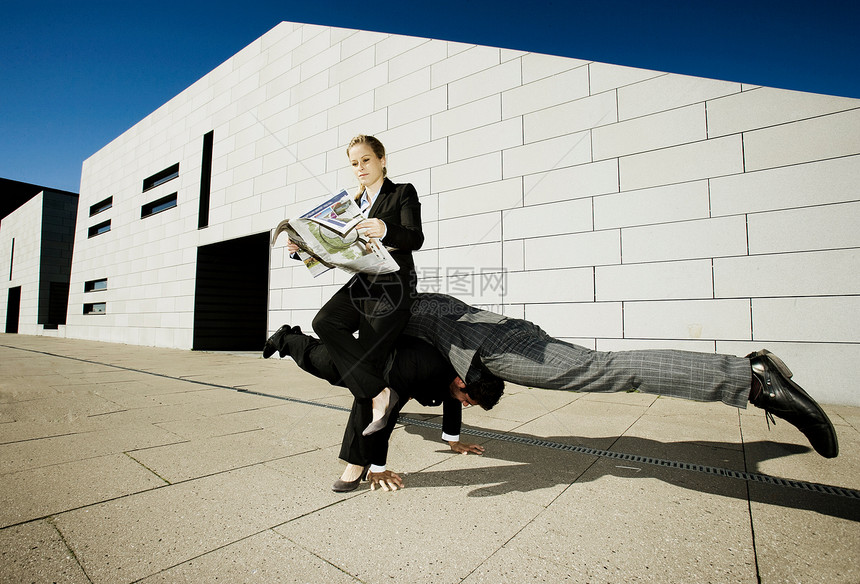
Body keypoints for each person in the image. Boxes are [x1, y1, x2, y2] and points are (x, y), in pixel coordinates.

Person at [404, 293, 839, 458]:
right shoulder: (422, 304)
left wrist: (365, 462)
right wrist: (452, 440)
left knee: (605, 369)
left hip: (492, 347)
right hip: (501, 337)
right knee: (604, 368)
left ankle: (751, 378)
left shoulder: (400, 307)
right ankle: (747, 377)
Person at [286, 135, 424, 437]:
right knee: (325, 322)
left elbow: (415, 238)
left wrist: (386, 229)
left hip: (393, 285)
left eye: (366, 160)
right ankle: (380, 392)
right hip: (362, 280)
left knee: (366, 361)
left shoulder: (402, 193)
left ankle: (356, 461)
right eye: (354, 163)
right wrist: (303, 249)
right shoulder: (350, 205)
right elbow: (333, 251)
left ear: (382, 160)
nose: (359, 167)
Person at [263, 324, 502, 491]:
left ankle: (358, 462)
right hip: (374, 362)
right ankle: (285, 337)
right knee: (319, 361)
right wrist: (378, 467)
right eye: (468, 400)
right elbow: (385, 414)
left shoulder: (460, 375)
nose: (464, 403)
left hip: (399, 371)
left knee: (377, 395)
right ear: (462, 382)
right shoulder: (425, 368)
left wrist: (453, 439)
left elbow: (453, 398)